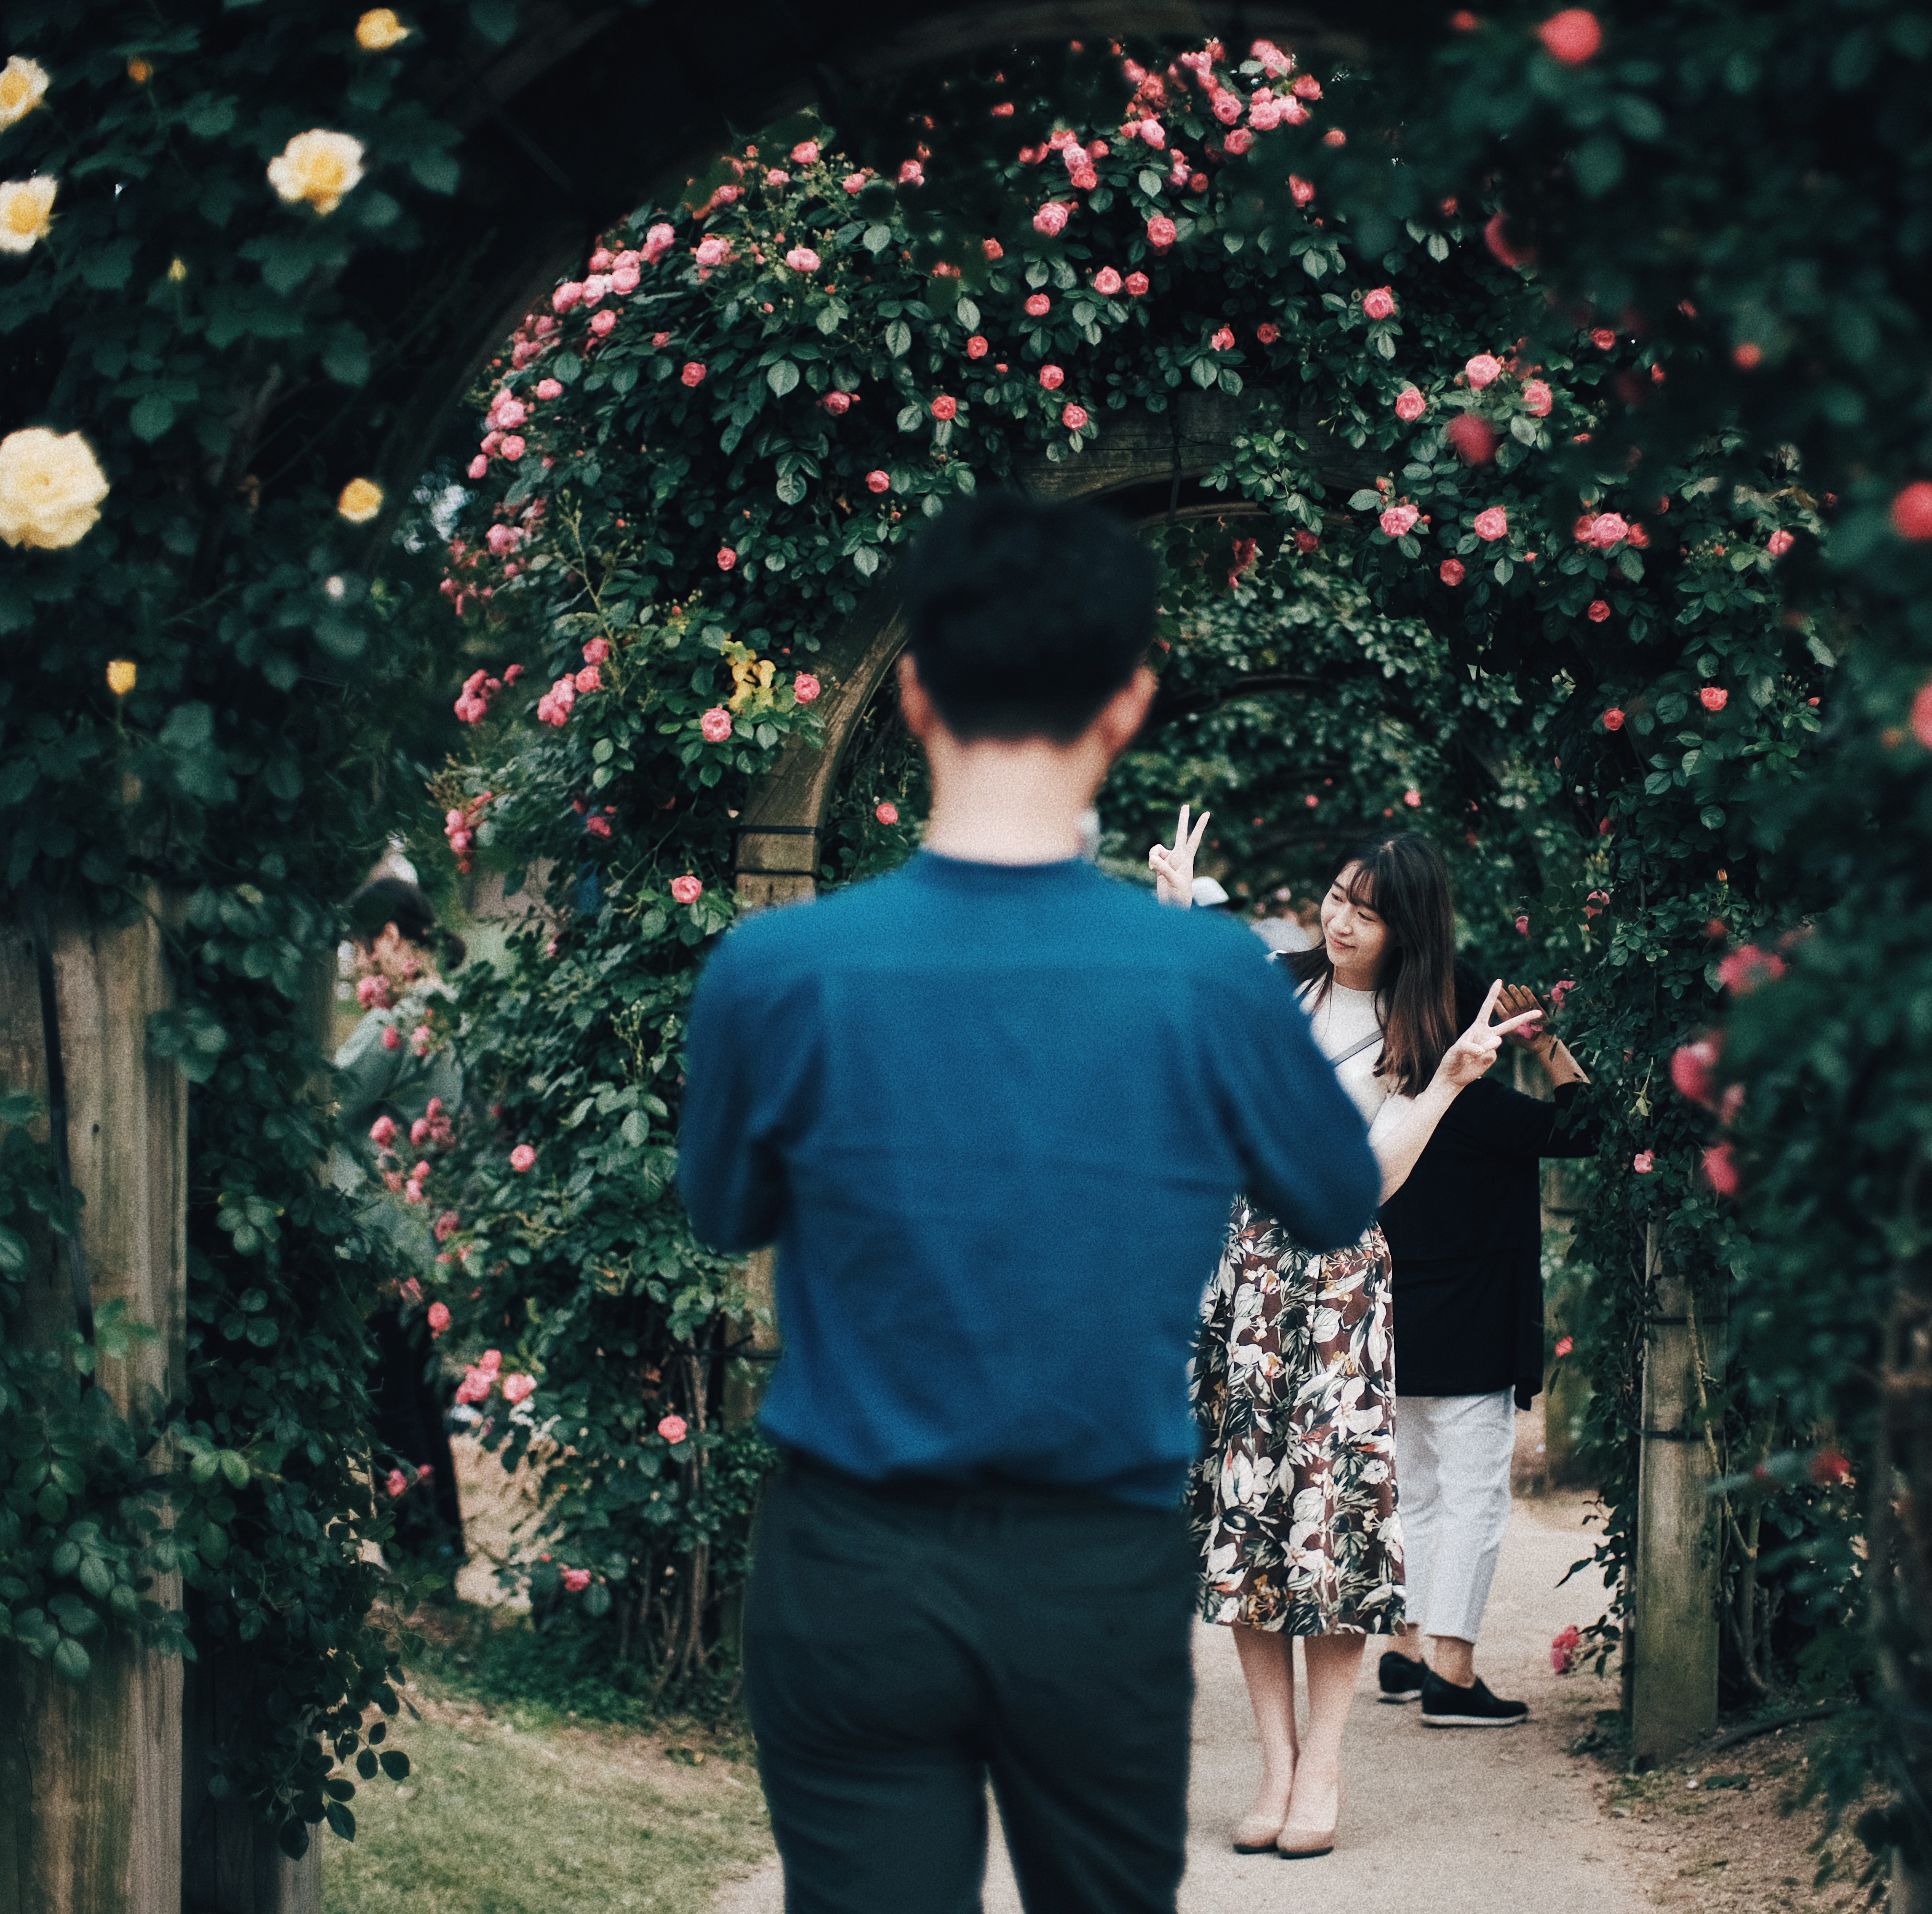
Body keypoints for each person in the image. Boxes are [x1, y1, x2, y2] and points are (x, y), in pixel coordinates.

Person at [674, 492, 1384, 1914]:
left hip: (852, 1562)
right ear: (1127, 705)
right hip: (1092, 1569)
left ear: (915, 694)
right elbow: (1331, 1194)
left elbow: (724, 1211)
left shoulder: (774, 970)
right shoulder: (1210, 980)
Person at [1155, 825, 1538, 1859]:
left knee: (1331, 1529)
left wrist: (1449, 1083)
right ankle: (1275, 1767)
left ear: (1406, 927)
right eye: (1335, 897)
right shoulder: (1278, 989)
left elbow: (1375, 1179)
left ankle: (1322, 1764)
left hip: (1338, 1286)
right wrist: (1179, 913)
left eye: (1366, 912)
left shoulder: (1420, 1033)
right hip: (1241, 1278)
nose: (1339, 920)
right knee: (1250, 1526)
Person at [1374, 968, 1597, 1725]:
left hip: (1397, 1330)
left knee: (1415, 1494)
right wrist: (1548, 1043)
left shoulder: (1393, 1102)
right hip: (1472, 1330)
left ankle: (1406, 1649)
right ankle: (1453, 1672)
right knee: (1474, 1499)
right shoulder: (1481, 1107)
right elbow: (1588, 1127)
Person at [331, 873, 469, 1567]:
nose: (360, 965)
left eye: (362, 947)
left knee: (390, 1399)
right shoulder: (450, 1010)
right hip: (430, 1229)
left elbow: (325, 1095)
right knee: (417, 1392)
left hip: (385, 1239)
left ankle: (420, 1550)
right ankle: (444, 1545)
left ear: (389, 938)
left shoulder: (397, 1024)